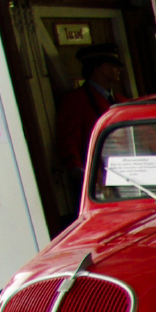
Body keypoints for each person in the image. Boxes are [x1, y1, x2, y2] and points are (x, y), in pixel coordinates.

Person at [54, 45, 124, 204]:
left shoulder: (121, 101)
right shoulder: (75, 101)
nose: (117, 69)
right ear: (97, 67)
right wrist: (85, 177)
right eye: (112, 65)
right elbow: (69, 142)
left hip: (128, 177)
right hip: (98, 183)